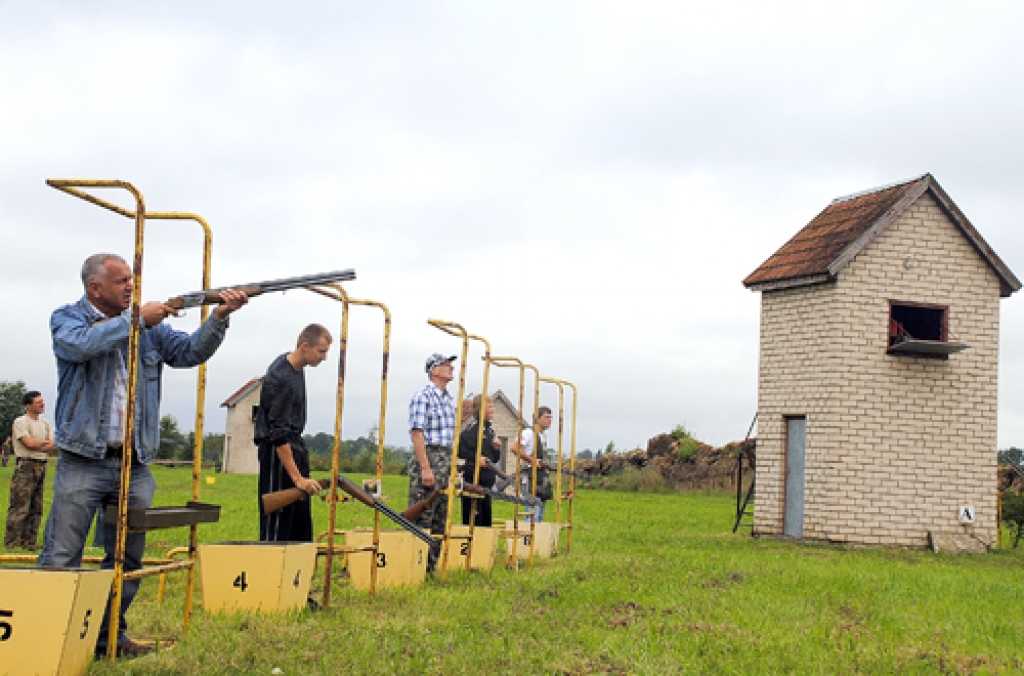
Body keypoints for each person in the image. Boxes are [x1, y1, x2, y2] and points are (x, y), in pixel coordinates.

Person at [38, 253, 247, 659]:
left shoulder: (151, 329)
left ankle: (108, 639)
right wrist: (136, 321)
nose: (130, 286)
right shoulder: (68, 318)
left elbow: (190, 352)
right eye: (121, 281)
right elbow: (80, 346)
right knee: (62, 554)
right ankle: (47, 643)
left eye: (131, 279)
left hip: (134, 464)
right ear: (94, 287)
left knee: (127, 559)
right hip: (83, 459)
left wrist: (219, 317)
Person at [256, 323, 331, 543]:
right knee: (278, 525)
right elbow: (278, 434)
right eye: (321, 351)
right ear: (304, 346)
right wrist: (297, 478)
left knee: (300, 525)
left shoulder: (296, 369)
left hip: (294, 446)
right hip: (278, 454)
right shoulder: (281, 377)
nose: (324, 358)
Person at [407, 352, 457, 570]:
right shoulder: (423, 396)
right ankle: (415, 564)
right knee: (423, 513)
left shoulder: (449, 400)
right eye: (446, 365)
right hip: (429, 456)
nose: (451, 368)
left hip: (445, 459)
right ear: (434, 371)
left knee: (440, 515)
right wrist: (425, 468)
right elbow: (417, 434)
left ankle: (431, 566)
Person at [4, 391, 56, 550]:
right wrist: (44, 443)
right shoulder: (21, 422)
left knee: (36, 506)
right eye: (38, 402)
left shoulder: (46, 423)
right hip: (25, 465)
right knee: (20, 505)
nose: (42, 404)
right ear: (28, 405)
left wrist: (41, 444)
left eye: (42, 401)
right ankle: (12, 541)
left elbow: (53, 444)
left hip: (42, 464)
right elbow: (29, 443)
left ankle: (29, 541)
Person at [457, 395, 503, 527]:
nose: (493, 409)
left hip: (487, 484)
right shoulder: (472, 430)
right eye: (490, 407)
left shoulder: (490, 431)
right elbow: (459, 449)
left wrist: (496, 449)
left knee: (486, 522)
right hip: (473, 481)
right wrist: (476, 458)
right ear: (480, 409)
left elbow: (494, 459)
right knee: (473, 521)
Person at [512, 406, 554, 523]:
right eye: (546, 417)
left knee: (539, 517)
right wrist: (531, 460)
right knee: (532, 516)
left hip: (539, 479)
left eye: (550, 417)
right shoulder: (528, 433)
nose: (549, 420)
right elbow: (515, 448)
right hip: (529, 479)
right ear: (537, 419)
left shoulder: (543, 436)